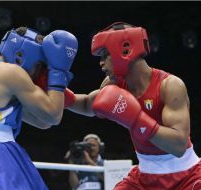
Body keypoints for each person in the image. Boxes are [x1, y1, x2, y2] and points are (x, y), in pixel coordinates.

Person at [64, 22, 201, 190]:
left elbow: (178, 146)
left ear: (125, 50)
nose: (100, 63)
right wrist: (56, 90)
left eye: (105, 55)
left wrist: (137, 120)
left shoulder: (170, 86)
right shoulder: (114, 83)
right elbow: (86, 104)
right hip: (143, 178)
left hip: (186, 176)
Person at [0, 26, 78, 189]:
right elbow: (53, 115)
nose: (38, 73)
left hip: (6, 155)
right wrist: (58, 70)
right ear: (20, 56)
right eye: (39, 66)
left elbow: (44, 122)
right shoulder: (9, 72)